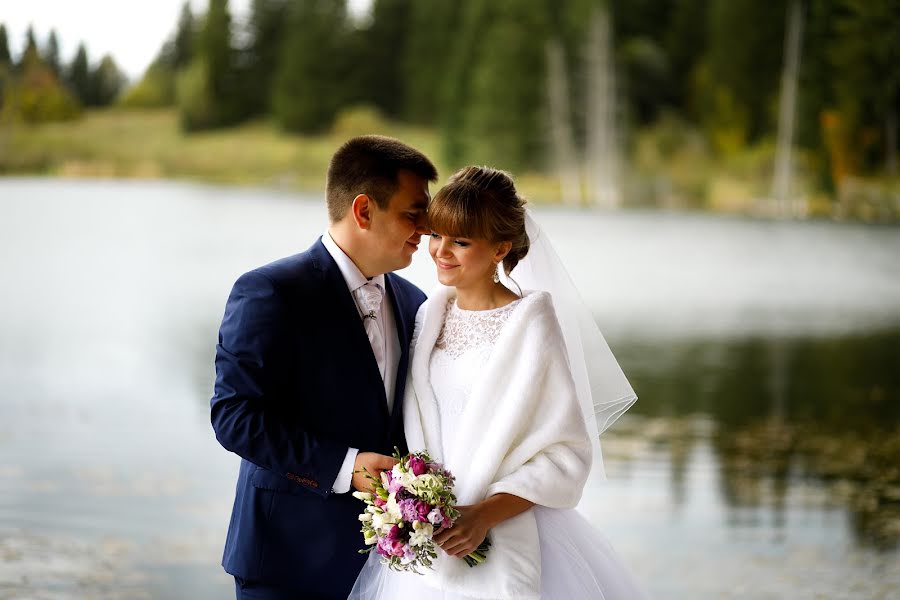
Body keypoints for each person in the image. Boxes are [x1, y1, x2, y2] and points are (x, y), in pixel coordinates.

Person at [350, 166, 647, 599]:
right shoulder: (429, 315)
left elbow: (566, 455)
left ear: (500, 249)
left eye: (462, 242)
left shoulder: (531, 325)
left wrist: (484, 515)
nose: (440, 251)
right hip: (431, 545)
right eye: (436, 235)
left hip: (506, 533)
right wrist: (413, 500)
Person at [210, 135, 438, 600]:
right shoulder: (271, 292)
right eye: (414, 214)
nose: (427, 230)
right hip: (286, 561)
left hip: (389, 567)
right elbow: (234, 416)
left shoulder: (417, 304)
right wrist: (346, 467)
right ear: (363, 211)